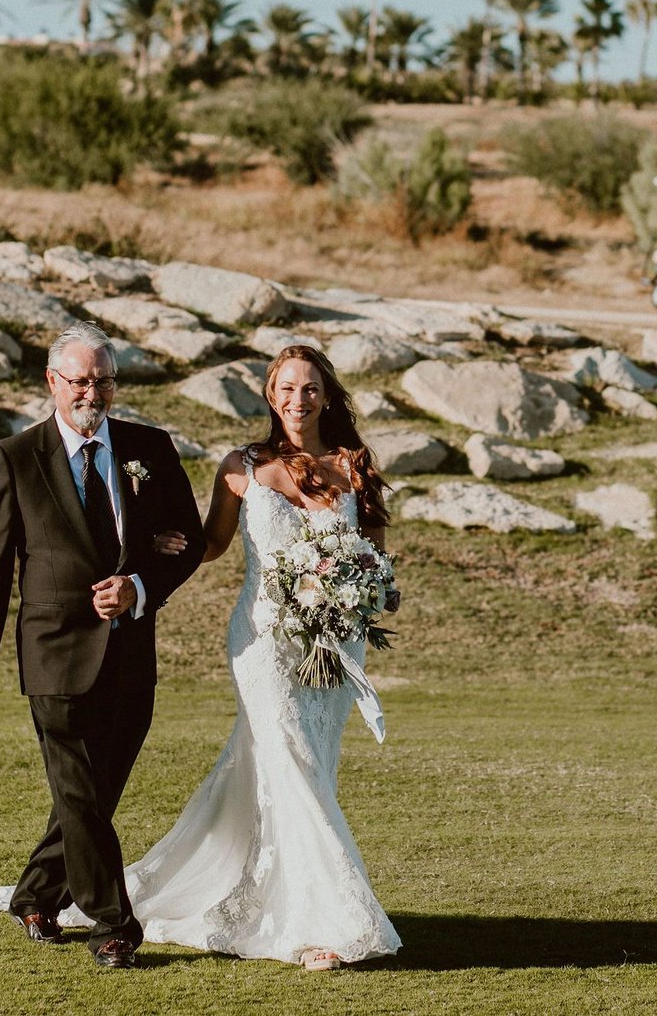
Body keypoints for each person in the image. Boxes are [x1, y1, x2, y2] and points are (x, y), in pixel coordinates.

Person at [128, 344, 402, 970]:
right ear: (269, 396)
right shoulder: (242, 467)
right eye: (285, 388)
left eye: (309, 388)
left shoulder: (354, 466)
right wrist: (159, 547)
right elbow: (213, 544)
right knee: (293, 760)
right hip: (263, 643)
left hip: (334, 642)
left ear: (327, 396)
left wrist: (369, 590)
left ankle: (260, 894)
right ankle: (326, 924)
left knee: (311, 765)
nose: (296, 400)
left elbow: (375, 554)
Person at [0, 321, 206, 970]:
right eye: (79, 381)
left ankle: (36, 893)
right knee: (77, 792)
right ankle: (111, 926)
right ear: (52, 382)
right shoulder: (15, 459)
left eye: (102, 381)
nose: (91, 393)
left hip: (131, 657)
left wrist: (139, 584)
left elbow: (190, 539)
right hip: (53, 657)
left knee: (91, 797)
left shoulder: (149, 449)